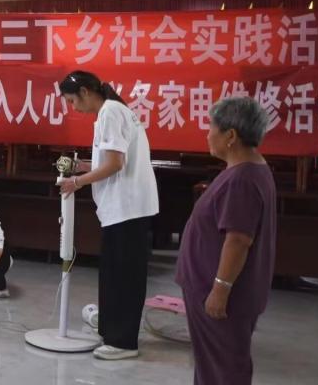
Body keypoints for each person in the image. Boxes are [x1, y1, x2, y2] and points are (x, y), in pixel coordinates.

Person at [58, 70, 159, 361]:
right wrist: (82, 166)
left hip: (127, 208)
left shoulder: (110, 112)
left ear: (85, 92)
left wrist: (77, 182)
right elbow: (109, 159)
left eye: (72, 101)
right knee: (114, 274)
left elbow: (115, 164)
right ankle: (111, 329)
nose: (73, 107)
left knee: (124, 276)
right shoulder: (113, 110)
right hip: (123, 208)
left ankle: (123, 342)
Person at [177, 97, 276, 385]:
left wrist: (220, 290)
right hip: (213, 287)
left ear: (231, 136)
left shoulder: (242, 180)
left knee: (223, 370)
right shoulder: (248, 169)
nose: (207, 134)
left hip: (221, 293)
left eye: (211, 127)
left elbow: (238, 240)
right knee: (213, 366)